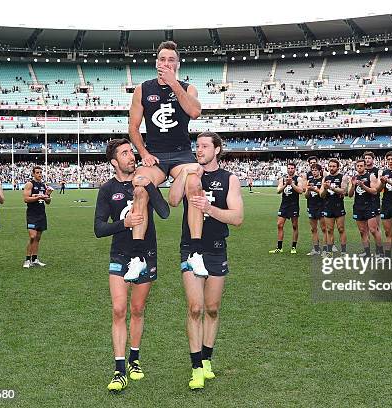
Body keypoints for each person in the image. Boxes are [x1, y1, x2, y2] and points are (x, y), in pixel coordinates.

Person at [168, 132, 244, 390]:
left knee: (212, 308)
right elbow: (174, 201)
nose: (198, 150)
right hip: (191, 247)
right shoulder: (189, 173)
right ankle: (196, 367)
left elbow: (237, 218)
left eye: (204, 146)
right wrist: (185, 173)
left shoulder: (229, 179)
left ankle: (207, 358)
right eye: (196, 146)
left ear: (217, 150)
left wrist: (209, 209)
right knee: (195, 308)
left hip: (216, 248)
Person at [127, 40, 202, 277]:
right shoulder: (143, 89)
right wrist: (144, 154)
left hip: (182, 154)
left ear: (178, 64)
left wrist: (174, 85)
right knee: (138, 186)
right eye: (162, 59)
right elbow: (133, 127)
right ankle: (138, 257)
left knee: (195, 184)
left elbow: (195, 112)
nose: (166, 63)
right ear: (156, 62)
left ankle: (196, 252)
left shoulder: (188, 88)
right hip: (155, 155)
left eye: (171, 60)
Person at [95, 138, 159, 392]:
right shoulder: (107, 190)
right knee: (119, 309)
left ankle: (135, 358)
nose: (131, 156)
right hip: (120, 254)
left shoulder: (143, 182)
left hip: (146, 254)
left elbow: (164, 212)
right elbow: (99, 228)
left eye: (131, 152)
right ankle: (119, 369)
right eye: (125, 153)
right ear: (114, 161)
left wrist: (150, 186)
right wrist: (124, 224)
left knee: (138, 308)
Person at [348, 159, 381, 257]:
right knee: (362, 231)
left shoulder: (370, 176)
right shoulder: (354, 178)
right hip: (358, 206)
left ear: (365, 166)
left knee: (373, 230)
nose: (359, 167)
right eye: (357, 166)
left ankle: (379, 252)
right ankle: (367, 253)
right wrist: (353, 186)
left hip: (369, 206)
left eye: (361, 166)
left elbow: (375, 191)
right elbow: (350, 195)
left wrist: (363, 186)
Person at [269, 162, 303, 254]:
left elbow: (301, 191)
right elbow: (278, 191)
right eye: (289, 168)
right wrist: (285, 184)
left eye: (292, 168)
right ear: (287, 169)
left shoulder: (298, 179)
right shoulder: (283, 179)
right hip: (284, 205)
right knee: (279, 225)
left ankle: (293, 247)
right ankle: (279, 247)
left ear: (295, 169)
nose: (290, 170)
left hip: (294, 205)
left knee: (295, 226)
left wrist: (291, 184)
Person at [23, 166, 51, 268]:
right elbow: (26, 199)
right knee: (32, 236)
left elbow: (48, 202)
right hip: (32, 214)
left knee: (38, 238)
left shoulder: (43, 185)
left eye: (40, 172)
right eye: (37, 172)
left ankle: (34, 259)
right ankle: (27, 260)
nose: (39, 174)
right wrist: (38, 197)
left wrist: (47, 196)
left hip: (41, 214)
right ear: (33, 174)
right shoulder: (30, 184)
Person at [320, 158, 348, 256]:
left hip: (338, 206)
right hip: (328, 206)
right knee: (329, 230)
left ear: (338, 167)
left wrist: (331, 187)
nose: (331, 168)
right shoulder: (325, 178)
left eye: (333, 166)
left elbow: (344, 191)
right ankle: (329, 251)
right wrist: (325, 189)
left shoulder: (342, 177)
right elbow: (321, 194)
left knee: (341, 229)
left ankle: (344, 251)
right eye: (330, 166)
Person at [304, 163, 325, 255]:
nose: (314, 172)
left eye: (316, 170)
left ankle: (325, 249)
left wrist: (314, 189)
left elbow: (323, 194)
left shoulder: (323, 180)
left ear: (320, 171)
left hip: (321, 206)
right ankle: (316, 249)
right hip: (311, 206)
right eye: (312, 170)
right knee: (313, 229)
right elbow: (306, 196)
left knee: (324, 228)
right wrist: (308, 190)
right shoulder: (310, 181)